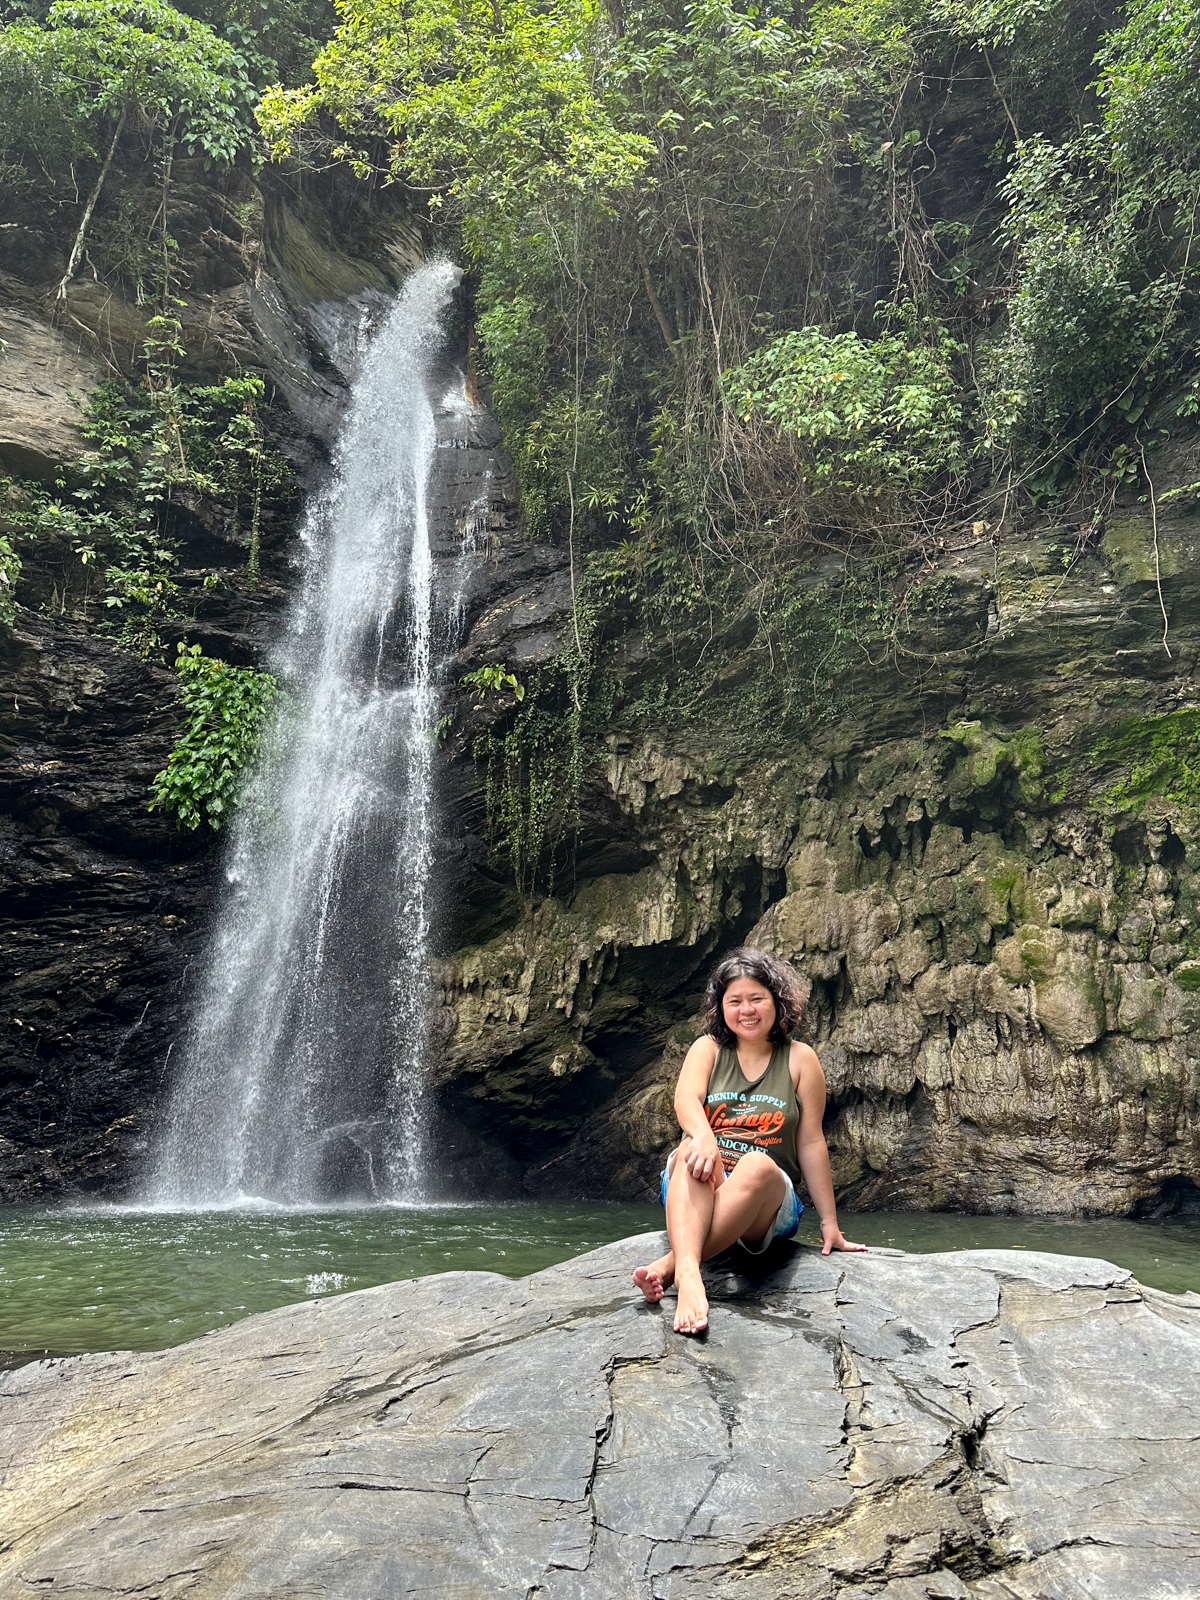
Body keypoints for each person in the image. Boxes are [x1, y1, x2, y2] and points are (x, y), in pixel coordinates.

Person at [633, 945, 866, 1333]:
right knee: (691, 1149)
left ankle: (672, 1264)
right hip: (701, 1184)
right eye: (735, 1001)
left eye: (757, 999)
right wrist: (705, 1138)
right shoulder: (707, 1049)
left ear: (777, 1002)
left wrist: (830, 1223)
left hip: (766, 1202)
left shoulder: (800, 1059)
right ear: (720, 1007)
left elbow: (810, 1141)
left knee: (757, 1164)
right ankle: (689, 1275)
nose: (747, 1010)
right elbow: (685, 1099)